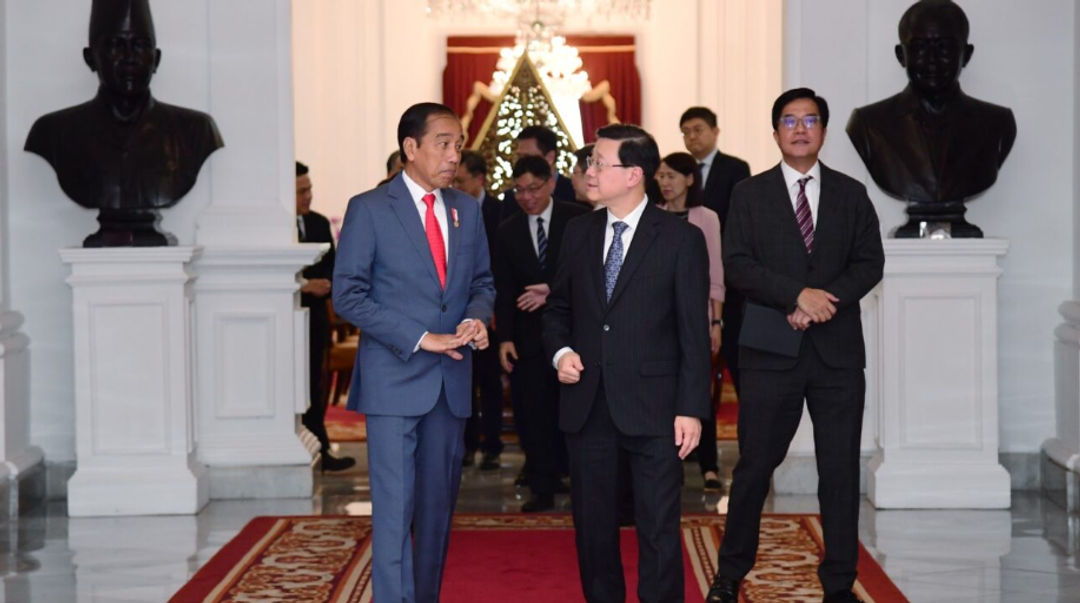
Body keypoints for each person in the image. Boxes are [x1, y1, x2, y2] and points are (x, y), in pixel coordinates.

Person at [706, 88, 884, 603]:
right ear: (776, 131)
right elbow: (737, 264)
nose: (800, 129)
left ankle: (838, 585)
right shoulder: (749, 194)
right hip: (769, 354)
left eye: (810, 120)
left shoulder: (851, 194)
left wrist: (822, 301)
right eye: (789, 120)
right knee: (755, 467)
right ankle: (729, 576)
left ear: (823, 130)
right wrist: (795, 295)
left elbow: (869, 262)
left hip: (837, 356)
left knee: (839, 470)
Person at [333, 102, 495, 603]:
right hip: (394, 378)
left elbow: (482, 283)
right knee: (394, 509)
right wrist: (420, 337)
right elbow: (348, 294)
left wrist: (477, 318)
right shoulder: (370, 208)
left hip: (450, 384)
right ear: (411, 148)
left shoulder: (466, 209)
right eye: (443, 143)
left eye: (459, 145)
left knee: (436, 512)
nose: (454, 155)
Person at [543, 124, 711, 602]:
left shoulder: (680, 240)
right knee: (593, 532)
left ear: (634, 174)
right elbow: (558, 309)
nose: (588, 171)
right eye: (590, 162)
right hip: (588, 405)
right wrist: (561, 353)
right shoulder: (578, 231)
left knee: (658, 529)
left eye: (599, 162)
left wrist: (691, 408)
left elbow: (693, 334)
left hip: (656, 408)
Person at [24, 0, 223, 245]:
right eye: (116, 45)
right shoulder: (53, 133)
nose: (129, 58)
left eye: (140, 45)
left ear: (156, 59)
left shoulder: (196, 131)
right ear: (90, 58)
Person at [846, 0, 1016, 238]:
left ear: (966, 55)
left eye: (944, 47)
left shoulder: (997, 124)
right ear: (901, 55)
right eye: (920, 48)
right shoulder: (869, 125)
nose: (932, 60)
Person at [494, 156, 588, 512]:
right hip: (527, 338)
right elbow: (503, 289)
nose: (527, 197)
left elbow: (588, 274)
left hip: (575, 334)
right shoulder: (507, 230)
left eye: (533, 188)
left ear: (551, 183)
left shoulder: (578, 219)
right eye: (519, 190)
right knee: (533, 414)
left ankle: (577, 482)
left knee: (575, 413)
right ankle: (542, 486)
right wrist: (504, 338)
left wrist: (550, 288)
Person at [654, 151, 726, 491]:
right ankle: (673, 466)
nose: (665, 182)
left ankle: (709, 465)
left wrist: (715, 323)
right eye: (661, 176)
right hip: (659, 321)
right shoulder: (652, 216)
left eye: (671, 176)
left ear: (689, 179)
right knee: (666, 395)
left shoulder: (706, 217)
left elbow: (715, 276)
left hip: (698, 318)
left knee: (700, 391)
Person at [679, 107, 751, 397]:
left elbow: (738, 219)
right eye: (685, 132)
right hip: (687, 275)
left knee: (733, 352)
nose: (691, 137)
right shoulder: (678, 169)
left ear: (715, 131)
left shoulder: (735, 168)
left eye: (697, 129)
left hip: (726, 276)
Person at [296, 162, 356, 473]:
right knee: (296, 385)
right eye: (301, 191)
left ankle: (320, 444)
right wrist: (305, 286)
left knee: (316, 384)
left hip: (317, 319)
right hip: (291, 319)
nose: (308, 196)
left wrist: (329, 285)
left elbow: (335, 267)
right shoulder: (277, 227)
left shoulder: (319, 224)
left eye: (309, 189)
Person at [453, 150, 505, 470]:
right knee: (464, 380)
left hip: (492, 310)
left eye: (461, 180)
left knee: (490, 380)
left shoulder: (500, 211)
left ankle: (493, 444)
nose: (455, 186)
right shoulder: (451, 208)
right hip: (459, 312)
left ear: (479, 179)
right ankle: (468, 443)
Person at [499, 125, 580, 220]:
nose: (522, 162)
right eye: (519, 157)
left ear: (550, 157)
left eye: (528, 157)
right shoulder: (512, 199)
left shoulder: (575, 192)